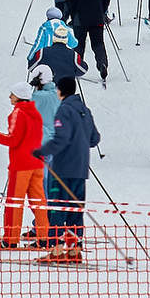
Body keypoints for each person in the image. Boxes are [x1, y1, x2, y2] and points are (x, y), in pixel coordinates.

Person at [33, 75, 101, 263]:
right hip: (80, 170)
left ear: (61, 90)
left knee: (57, 209)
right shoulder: (84, 110)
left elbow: (60, 139)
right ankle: (74, 250)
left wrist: (41, 151)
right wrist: (79, 143)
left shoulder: (64, 110)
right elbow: (94, 139)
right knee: (75, 209)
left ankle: (56, 250)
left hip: (62, 169)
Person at [0, 82, 49, 249]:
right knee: (38, 201)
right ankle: (44, 238)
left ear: (19, 96)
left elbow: (12, 140)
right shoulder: (36, 113)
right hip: (37, 163)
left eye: (12, 94)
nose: (10, 97)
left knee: (14, 203)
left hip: (21, 166)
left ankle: (10, 239)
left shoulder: (17, 113)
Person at [69, 0, 111, 83]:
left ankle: (77, 67)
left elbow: (69, 0)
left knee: (79, 44)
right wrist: (102, 11)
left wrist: (70, 15)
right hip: (97, 19)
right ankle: (102, 64)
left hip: (79, 20)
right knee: (98, 44)